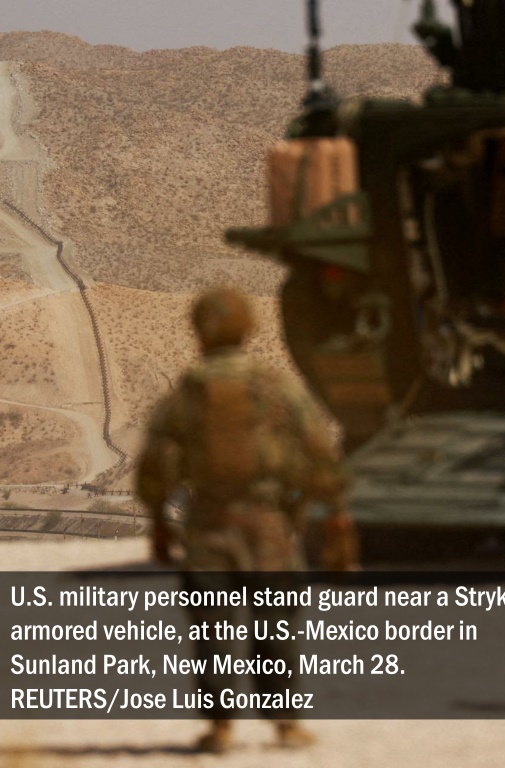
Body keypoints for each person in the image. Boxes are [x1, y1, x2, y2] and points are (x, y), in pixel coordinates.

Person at [135, 287, 356, 752]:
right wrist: (336, 512)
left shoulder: (188, 392)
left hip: (208, 524)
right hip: (267, 523)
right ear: (247, 329)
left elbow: (156, 462)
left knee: (212, 627)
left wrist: (158, 520)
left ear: (198, 331)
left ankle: (220, 728)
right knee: (275, 623)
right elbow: (318, 450)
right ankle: (286, 724)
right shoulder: (276, 387)